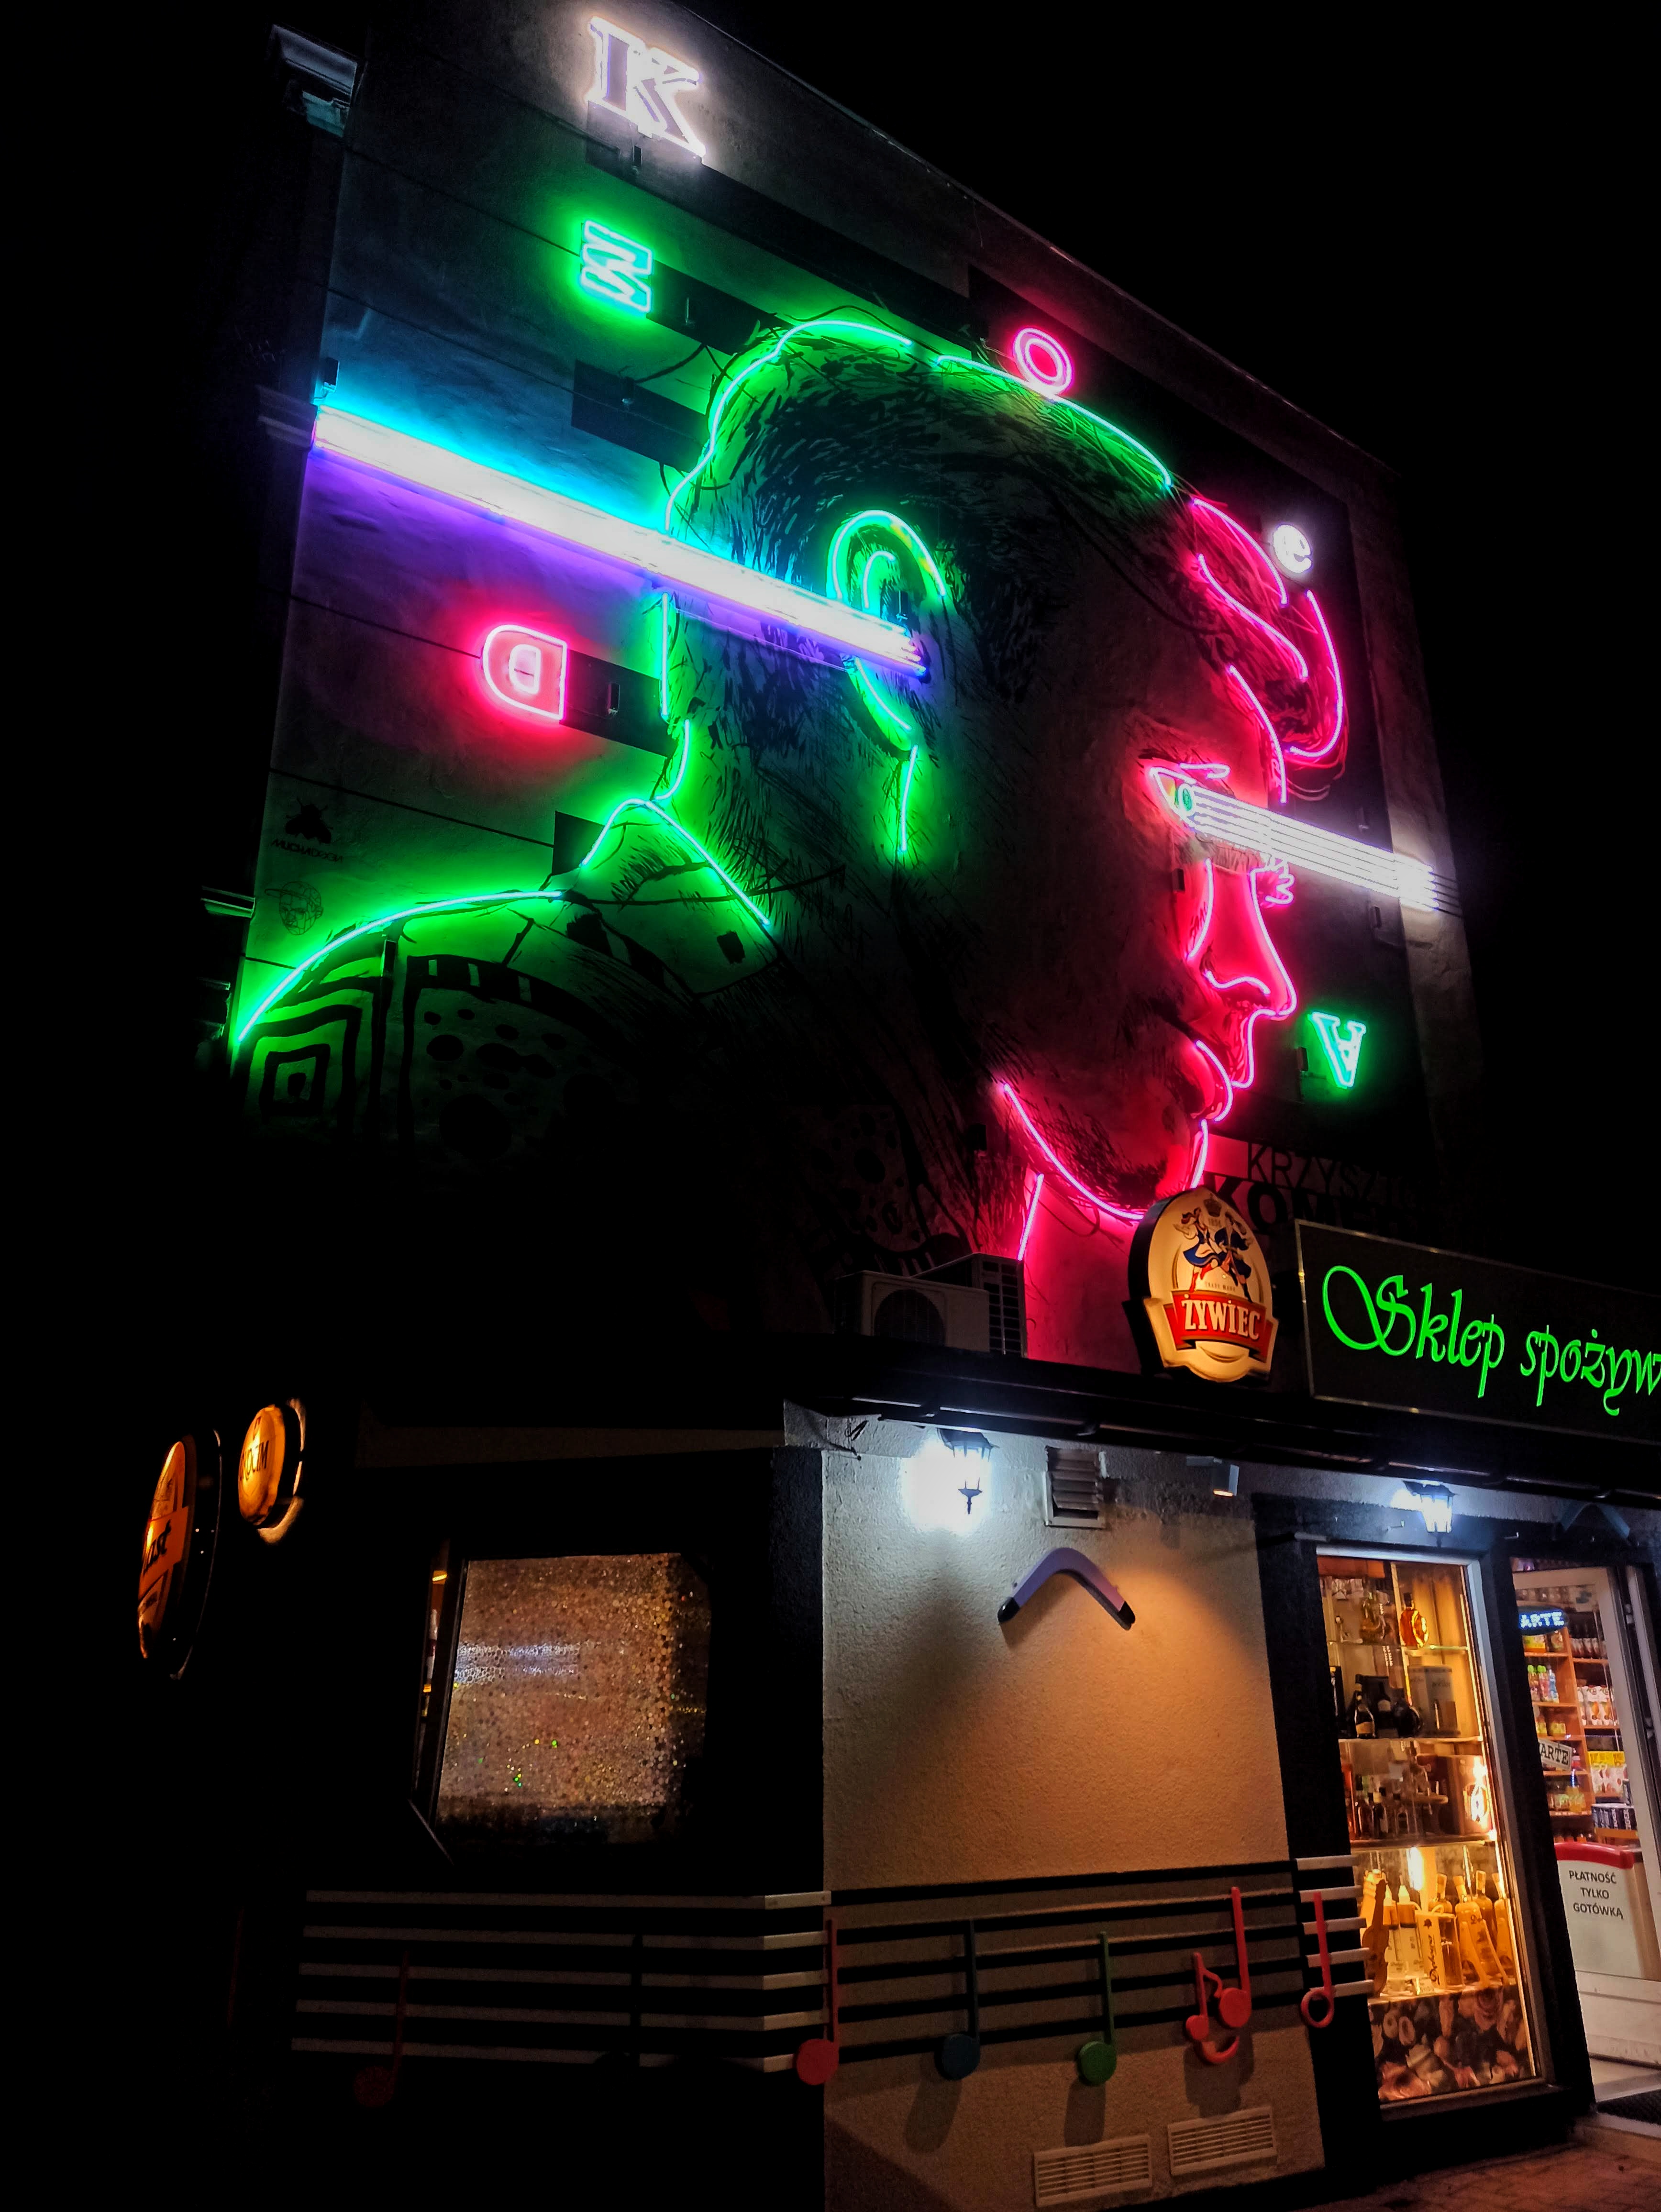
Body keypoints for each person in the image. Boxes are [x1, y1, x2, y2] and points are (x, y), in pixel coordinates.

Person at [237, 318, 1347, 1365]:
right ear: (899, 629)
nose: (1264, 978)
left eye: (1262, 886)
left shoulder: (891, 1147)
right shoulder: (464, 1058)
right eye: (1185, 815)